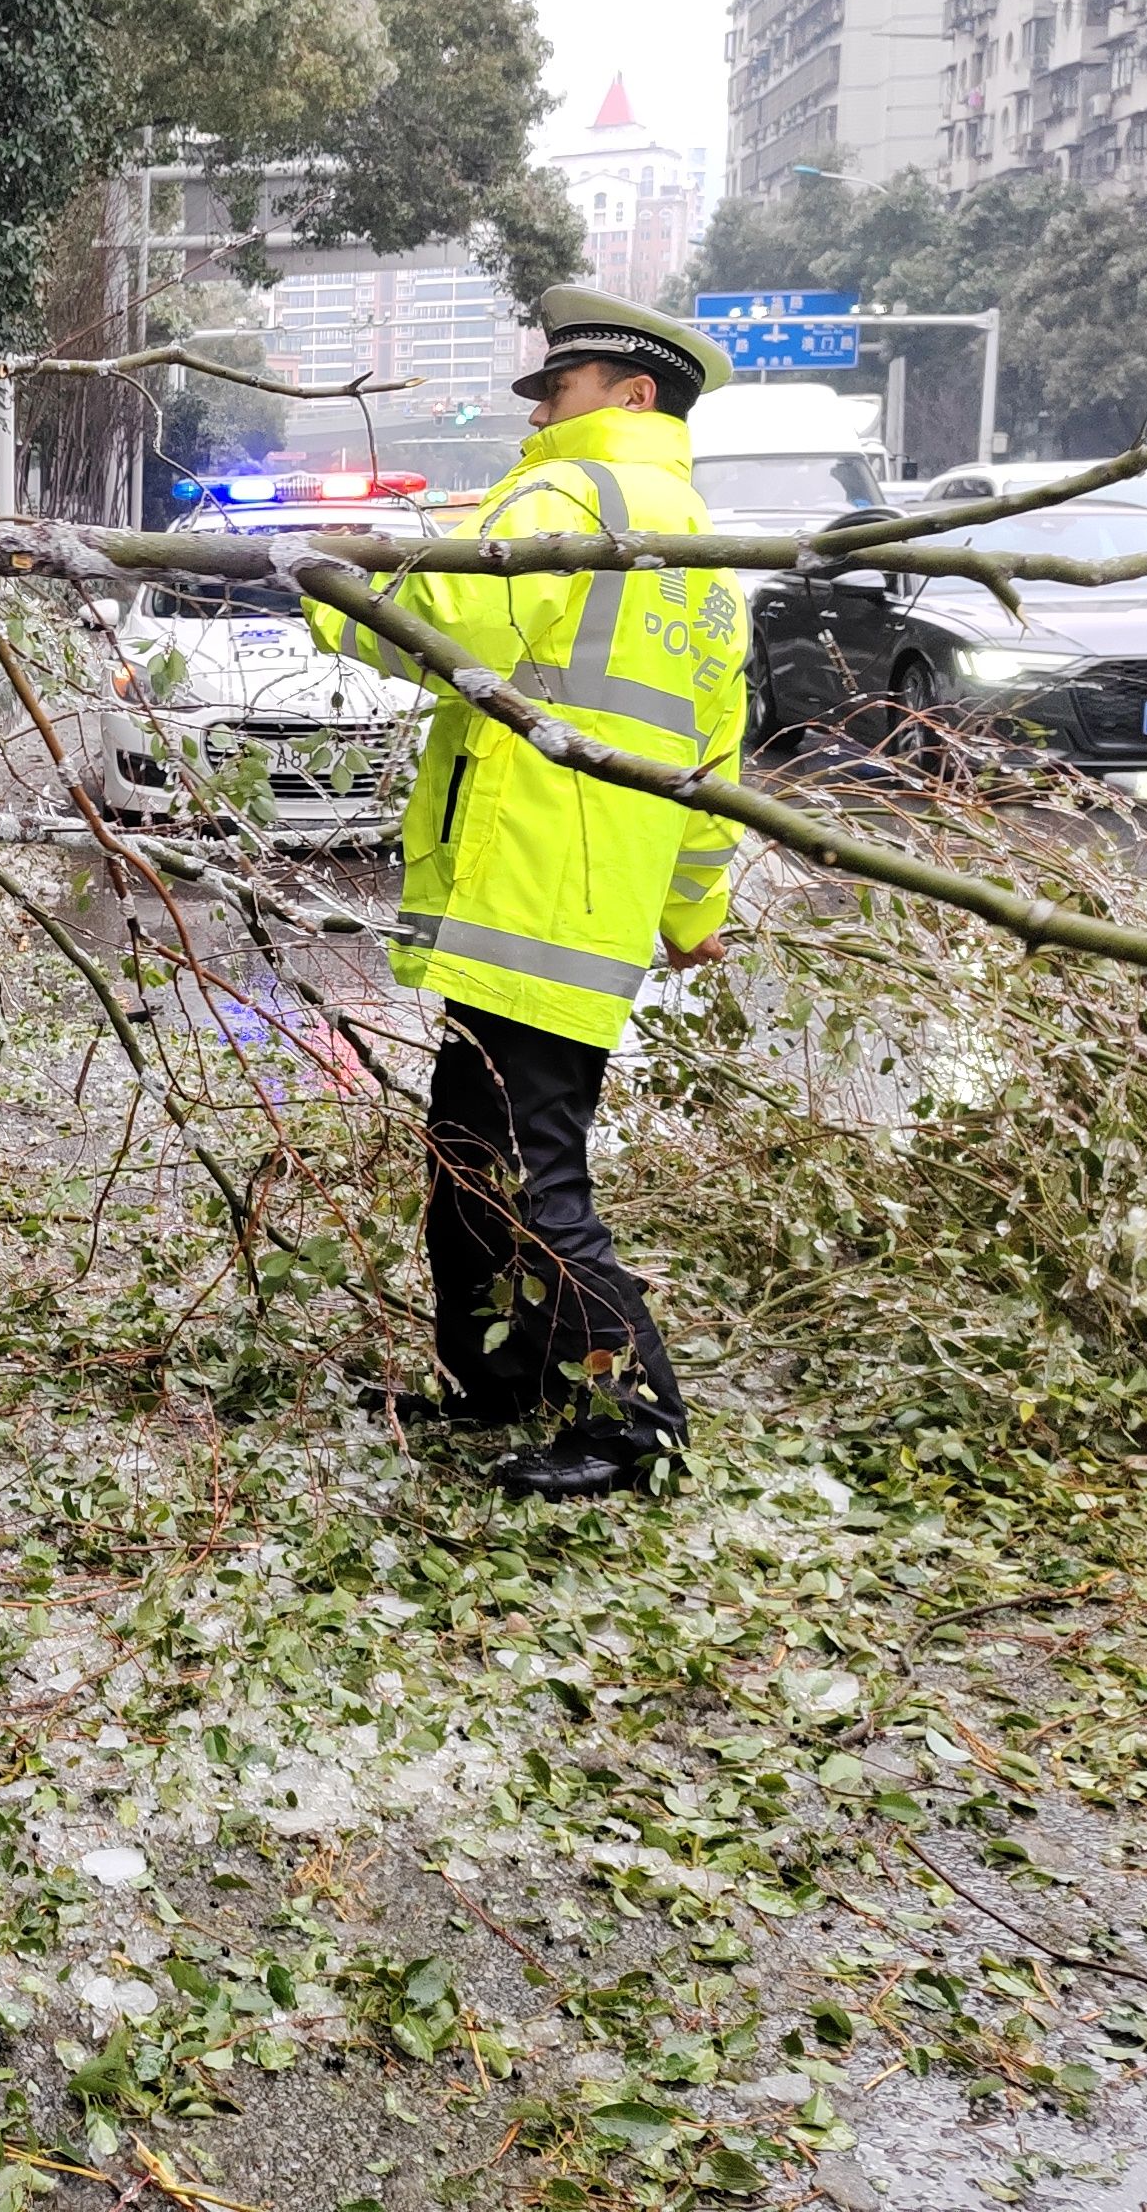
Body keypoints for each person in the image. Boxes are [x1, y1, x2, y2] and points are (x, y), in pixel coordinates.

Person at [307, 285, 747, 1501]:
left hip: (530, 893)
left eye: (559, 388)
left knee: (527, 1174)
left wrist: (319, 576)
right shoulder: (708, 550)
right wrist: (691, 913)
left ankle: (634, 1423)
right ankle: (495, 1380)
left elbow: (436, 621)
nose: (540, 408)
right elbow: (714, 759)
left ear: (634, 393)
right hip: (585, 905)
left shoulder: (572, 496)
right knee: (469, 1155)